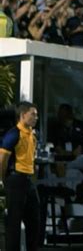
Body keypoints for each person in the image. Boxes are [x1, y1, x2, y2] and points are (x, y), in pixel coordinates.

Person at [0, 101, 41, 251]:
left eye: (36, 115)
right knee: (14, 222)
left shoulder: (32, 134)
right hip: (16, 179)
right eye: (33, 114)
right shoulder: (13, 134)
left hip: (28, 180)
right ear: (23, 115)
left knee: (34, 220)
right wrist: (2, 180)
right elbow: (2, 159)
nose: (36, 118)